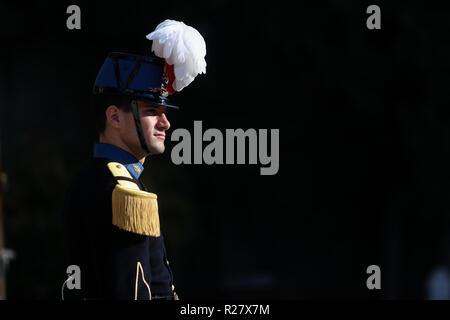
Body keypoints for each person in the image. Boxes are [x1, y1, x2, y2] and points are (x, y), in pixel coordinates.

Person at [61, 20, 206, 300]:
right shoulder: (119, 189)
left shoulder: (97, 176)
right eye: (153, 110)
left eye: (165, 111)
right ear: (114, 117)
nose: (166, 123)